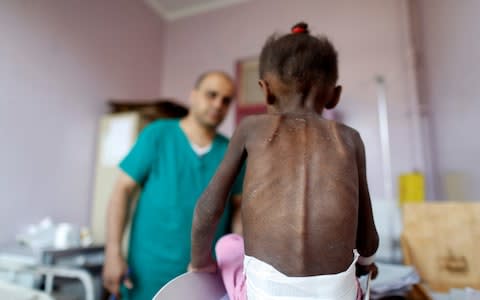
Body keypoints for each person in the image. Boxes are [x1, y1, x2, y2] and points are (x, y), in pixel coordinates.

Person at [190, 22, 379, 300]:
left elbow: (208, 210)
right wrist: (366, 264)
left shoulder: (251, 129)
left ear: (265, 90)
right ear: (334, 96)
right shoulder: (350, 139)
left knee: (230, 244)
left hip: (264, 294)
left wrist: (200, 263)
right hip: (337, 295)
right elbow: (367, 234)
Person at [102, 71, 244, 300]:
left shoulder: (232, 151)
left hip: (203, 278)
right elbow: (122, 191)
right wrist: (112, 251)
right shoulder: (158, 135)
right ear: (193, 95)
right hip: (148, 273)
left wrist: (240, 259)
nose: (218, 104)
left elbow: (239, 208)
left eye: (226, 100)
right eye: (212, 95)